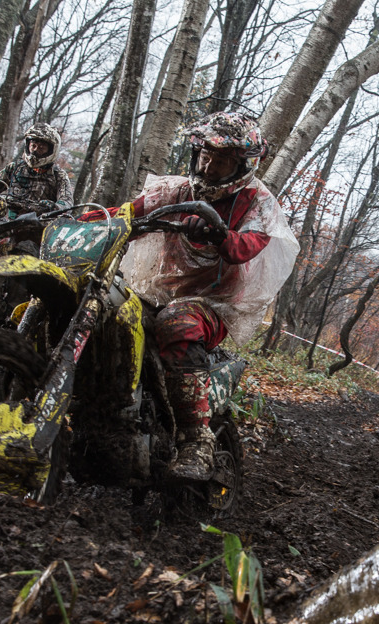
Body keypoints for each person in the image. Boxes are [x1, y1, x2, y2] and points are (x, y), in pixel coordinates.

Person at [91, 111, 298, 481]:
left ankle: (195, 441)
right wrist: (78, 221)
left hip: (214, 302)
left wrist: (218, 234)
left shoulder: (257, 202)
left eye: (221, 159)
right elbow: (124, 215)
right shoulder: (173, 189)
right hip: (158, 288)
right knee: (102, 304)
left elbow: (245, 246)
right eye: (205, 154)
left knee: (176, 322)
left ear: (241, 164)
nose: (209, 165)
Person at [0, 122, 74, 211]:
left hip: (41, 222)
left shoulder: (58, 175)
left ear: (52, 150)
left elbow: (67, 201)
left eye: (41, 148)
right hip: (9, 221)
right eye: (33, 146)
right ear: (28, 145)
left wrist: (55, 206)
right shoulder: (14, 168)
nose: (35, 150)